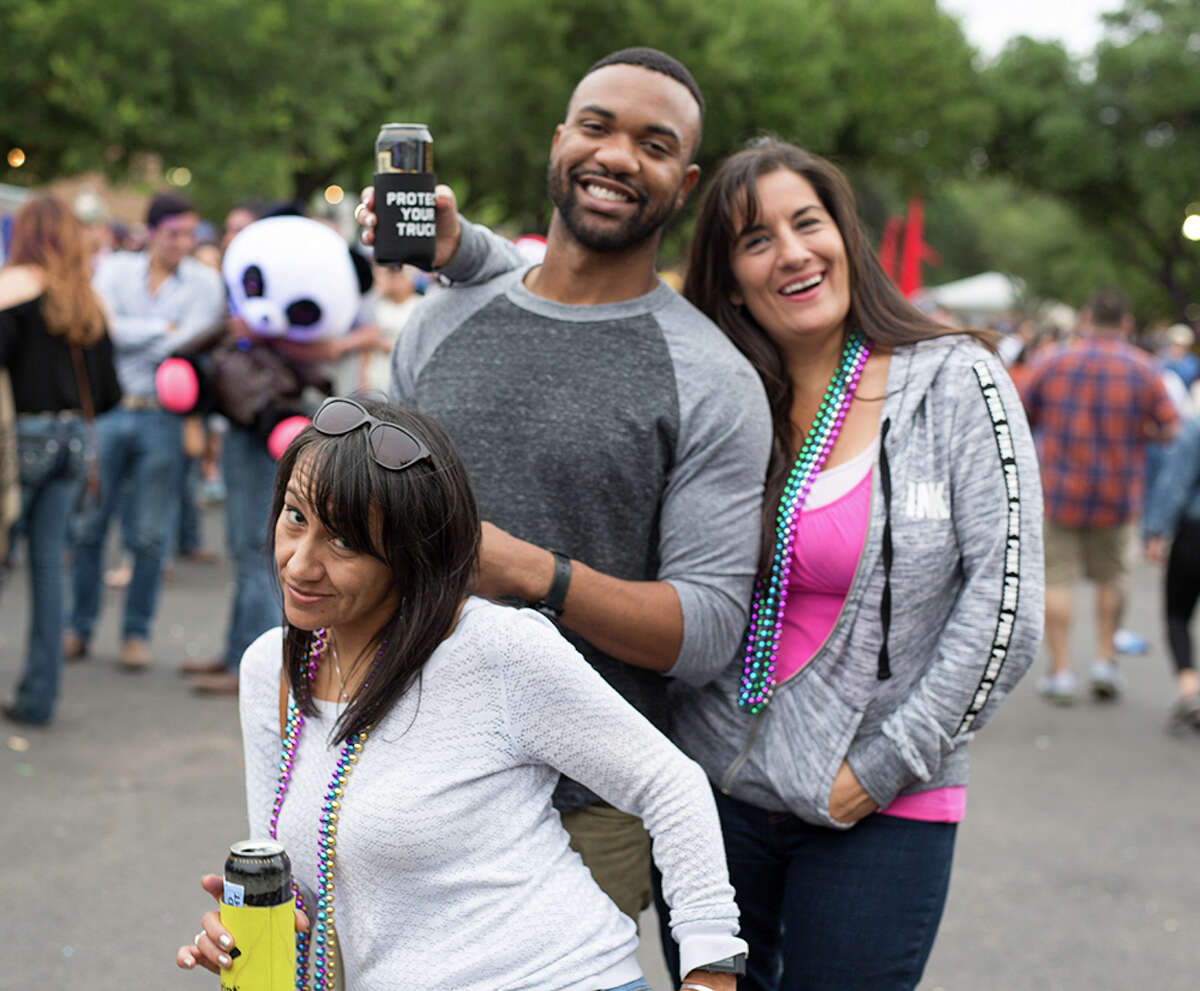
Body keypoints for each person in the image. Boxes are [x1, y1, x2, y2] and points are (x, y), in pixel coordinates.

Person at [357, 46, 771, 928]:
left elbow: (705, 630)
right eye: (597, 126)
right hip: (390, 767)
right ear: (559, 142)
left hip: (585, 810)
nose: (619, 156)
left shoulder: (710, 377)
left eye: (654, 145)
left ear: (684, 181)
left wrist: (536, 573)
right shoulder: (441, 318)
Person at [174, 397, 747, 991]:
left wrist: (711, 972)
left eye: (343, 542)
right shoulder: (272, 667)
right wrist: (246, 932)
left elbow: (670, 784)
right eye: (295, 517)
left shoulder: (495, 650)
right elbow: (290, 875)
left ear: (408, 557)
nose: (300, 563)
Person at [665, 139, 1044, 990]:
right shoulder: (722, 397)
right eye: (756, 239)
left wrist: (872, 776)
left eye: (809, 222)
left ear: (846, 236)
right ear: (727, 277)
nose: (793, 252)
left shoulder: (956, 381)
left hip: (879, 798)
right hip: (713, 790)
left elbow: (1004, 608)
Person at [66, 192, 225, 670]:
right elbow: (104, 329)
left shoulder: (205, 282)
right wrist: (164, 329)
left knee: (151, 535)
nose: (181, 243)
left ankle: (136, 633)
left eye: (188, 235)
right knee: (90, 525)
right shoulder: (114, 271)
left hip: (164, 415)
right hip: (111, 410)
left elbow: (194, 337)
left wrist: (139, 330)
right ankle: (80, 626)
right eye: (173, 233)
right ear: (152, 231)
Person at [1021, 287, 1178, 704]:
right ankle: (1105, 660)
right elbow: (1170, 428)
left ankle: (1061, 671)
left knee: (1057, 579)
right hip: (1118, 493)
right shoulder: (1144, 370)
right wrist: (1139, 431)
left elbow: (1023, 414)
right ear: (1126, 323)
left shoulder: (1053, 362)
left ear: (1086, 319)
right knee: (1112, 579)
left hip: (1060, 491)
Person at [0, 196, 122, 725]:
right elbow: (110, 392)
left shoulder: (12, 291)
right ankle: (39, 697)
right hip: (75, 441)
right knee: (50, 568)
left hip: (17, 441)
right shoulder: (88, 300)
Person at [1144, 408, 1200, 732]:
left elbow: (1175, 481)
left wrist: (1156, 530)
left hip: (1194, 530)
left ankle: (1189, 688)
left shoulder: (1196, 426)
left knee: (1177, 613)